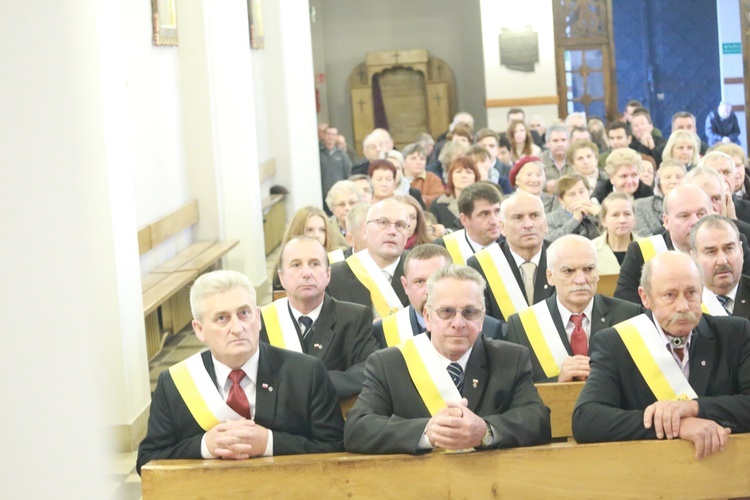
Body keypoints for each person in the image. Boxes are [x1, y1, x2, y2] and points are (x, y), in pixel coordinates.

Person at [136, 270, 345, 474]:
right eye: (222, 318)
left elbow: (337, 447)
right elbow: (147, 461)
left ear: (258, 317)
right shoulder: (175, 383)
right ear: (199, 330)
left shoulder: (305, 372)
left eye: (244, 314)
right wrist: (205, 446)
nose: (237, 328)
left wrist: (269, 443)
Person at [344, 264, 552, 454]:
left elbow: (537, 420)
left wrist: (486, 431)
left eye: (470, 312)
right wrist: (427, 432)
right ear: (427, 317)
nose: (458, 323)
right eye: (446, 312)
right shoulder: (389, 364)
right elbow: (358, 428)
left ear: (482, 318)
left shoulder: (509, 358)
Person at [573, 252, 750, 459]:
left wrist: (693, 408)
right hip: (648, 476)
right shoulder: (616, 343)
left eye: (691, 292)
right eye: (670, 295)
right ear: (645, 297)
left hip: (727, 471)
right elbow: (587, 420)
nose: (683, 306)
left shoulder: (735, 334)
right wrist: (678, 425)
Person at [506, 235, 642, 382]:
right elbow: (517, 389)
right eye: (569, 271)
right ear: (550, 277)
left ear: (597, 273)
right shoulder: (523, 325)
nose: (580, 279)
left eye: (588, 269)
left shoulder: (630, 316)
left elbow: (639, 381)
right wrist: (558, 382)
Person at [261, 237, 379, 398]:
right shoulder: (262, 321)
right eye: (296, 265)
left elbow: (369, 368)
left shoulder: (354, 317)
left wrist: (315, 384)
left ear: (328, 274)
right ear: (282, 278)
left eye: (314, 264)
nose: (306, 273)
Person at [371, 244, 504, 347]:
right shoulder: (383, 331)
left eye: (437, 280)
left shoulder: (489, 328)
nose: (429, 291)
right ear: (405, 285)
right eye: (419, 282)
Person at [614, 184, 712, 304]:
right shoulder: (643, 251)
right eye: (684, 216)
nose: (695, 222)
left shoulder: (726, 248)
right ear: (666, 221)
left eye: (701, 214)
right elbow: (624, 306)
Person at [467, 191, 556, 323]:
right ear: (503, 227)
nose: (528, 224)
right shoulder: (481, 264)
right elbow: (483, 322)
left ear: (546, 224)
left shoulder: (563, 258)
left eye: (535, 216)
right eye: (518, 217)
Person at [327, 198, 410, 317]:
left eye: (400, 225)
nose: (392, 231)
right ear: (365, 230)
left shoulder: (423, 269)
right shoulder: (335, 276)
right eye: (382, 222)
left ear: (407, 235)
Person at [690, 215, 750, 320]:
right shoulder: (685, 303)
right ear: (694, 257)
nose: (722, 261)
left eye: (729, 249)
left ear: (741, 250)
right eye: (711, 252)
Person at [433, 182, 503, 264]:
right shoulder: (444, 248)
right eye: (484, 214)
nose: (494, 221)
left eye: (497, 211)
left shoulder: (511, 244)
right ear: (464, 220)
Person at [273, 206, 340, 288]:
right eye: (310, 230)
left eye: (322, 230)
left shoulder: (337, 258)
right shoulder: (285, 263)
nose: (317, 235)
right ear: (298, 231)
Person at [633, 160, 687, 236]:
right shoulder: (640, 206)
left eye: (679, 177)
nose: (673, 181)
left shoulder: (696, 205)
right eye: (667, 177)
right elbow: (643, 239)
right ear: (658, 182)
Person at [593, 192, 640, 273]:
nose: (622, 220)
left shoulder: (649, 247)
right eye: (615, 215)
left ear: (634, 219)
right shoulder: (591, 249)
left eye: (627, 214)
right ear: (603, 220)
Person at [429, 156, 480, 231]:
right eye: (458, 172)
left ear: (476, 177)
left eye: (469, 172)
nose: (464, 176)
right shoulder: (438, 204)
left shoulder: (484, 203)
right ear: (451, 177)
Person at [544, 174, 600, 242]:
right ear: (561, 200)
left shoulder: (599, 211)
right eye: (572, 194)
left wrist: (600, 215)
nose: (578, 197)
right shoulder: (550, 219)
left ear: (589, 193)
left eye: (581, 192)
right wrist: (575, 221)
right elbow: (548, 241)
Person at [699, 151, 750, 224]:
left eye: (727, 172)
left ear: (735, 176)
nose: (722, 178)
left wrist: (734, 221)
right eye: (714, 173)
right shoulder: (693, 211)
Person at [401, 143, 444, 209]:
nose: (419, 162)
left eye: (422, 159)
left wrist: (419, 199)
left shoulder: (432, 178)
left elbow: (440, 197)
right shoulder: (397, 178)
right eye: (413, 158)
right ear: (403, 162)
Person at [319, 126, 352, 210]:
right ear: (324, 136)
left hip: (339, 194)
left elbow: (348, 174)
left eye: (333, 134)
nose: (331, 137)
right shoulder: (318, 152)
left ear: (336, 137)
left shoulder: (342, 154)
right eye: (328, 134)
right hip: (322, 194)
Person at [325, 180, 363, 247]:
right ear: (332, 208)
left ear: (360, 204)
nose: (347, 208)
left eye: (352, 203)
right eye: (341, 204)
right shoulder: (326, 229)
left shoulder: (369, 226)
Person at [539, 124, 572, 193]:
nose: (560, 144)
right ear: (547, 143)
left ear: (568, 142)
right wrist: (545, 186)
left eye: (563, 140)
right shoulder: (539, 160)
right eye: (555, 141)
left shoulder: (575, 158)